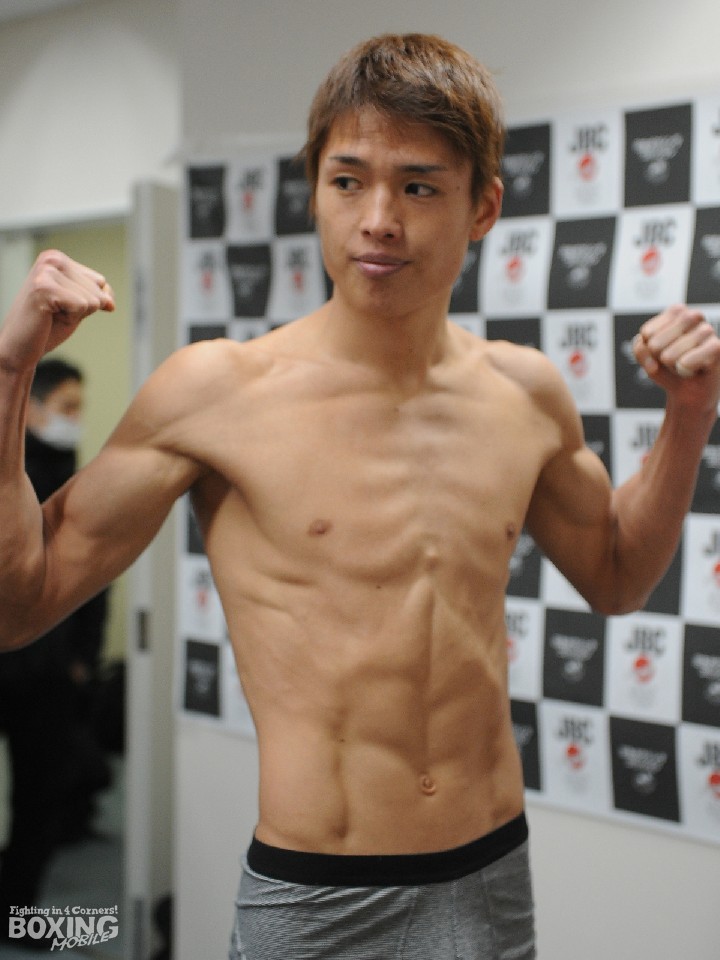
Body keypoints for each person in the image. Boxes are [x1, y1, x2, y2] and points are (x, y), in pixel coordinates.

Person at [0, 32, 719, 960]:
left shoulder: (525, 392)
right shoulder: (216, 392)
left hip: (492, 875)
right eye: (349, 181)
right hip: (316, 896)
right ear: (316, 191)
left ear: (482, 207)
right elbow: (19, 606)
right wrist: (10, 371)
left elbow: (618, 578)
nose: (378, 219)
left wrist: (688, 417)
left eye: (418, 187)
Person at [0, 359, 111, 939]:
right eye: (67, 407)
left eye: (78, 408)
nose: (75, 419)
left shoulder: (76, 476)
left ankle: (18, 914)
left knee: (40, 799)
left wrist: (82, 662)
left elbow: (94, 579)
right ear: (33, 409)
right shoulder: (8, 473)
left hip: (48, 676)